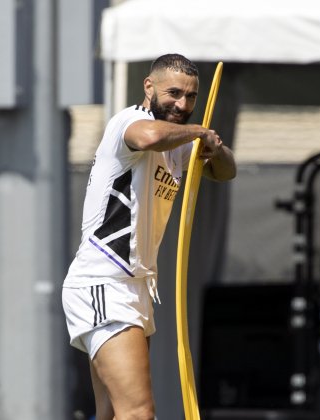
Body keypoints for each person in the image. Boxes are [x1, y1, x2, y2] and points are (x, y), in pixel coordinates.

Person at [61, 53, 236, 420]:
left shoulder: (178, 143)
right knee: (139, 413)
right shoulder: (131, 121)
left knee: (111, 413)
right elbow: (152, 136)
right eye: (173, 93)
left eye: (190, 96)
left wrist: (215, 148)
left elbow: (224, 172)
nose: (182, 104)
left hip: (135, 286)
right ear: (149, 86)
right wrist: (200, 131)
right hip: (103, 279)